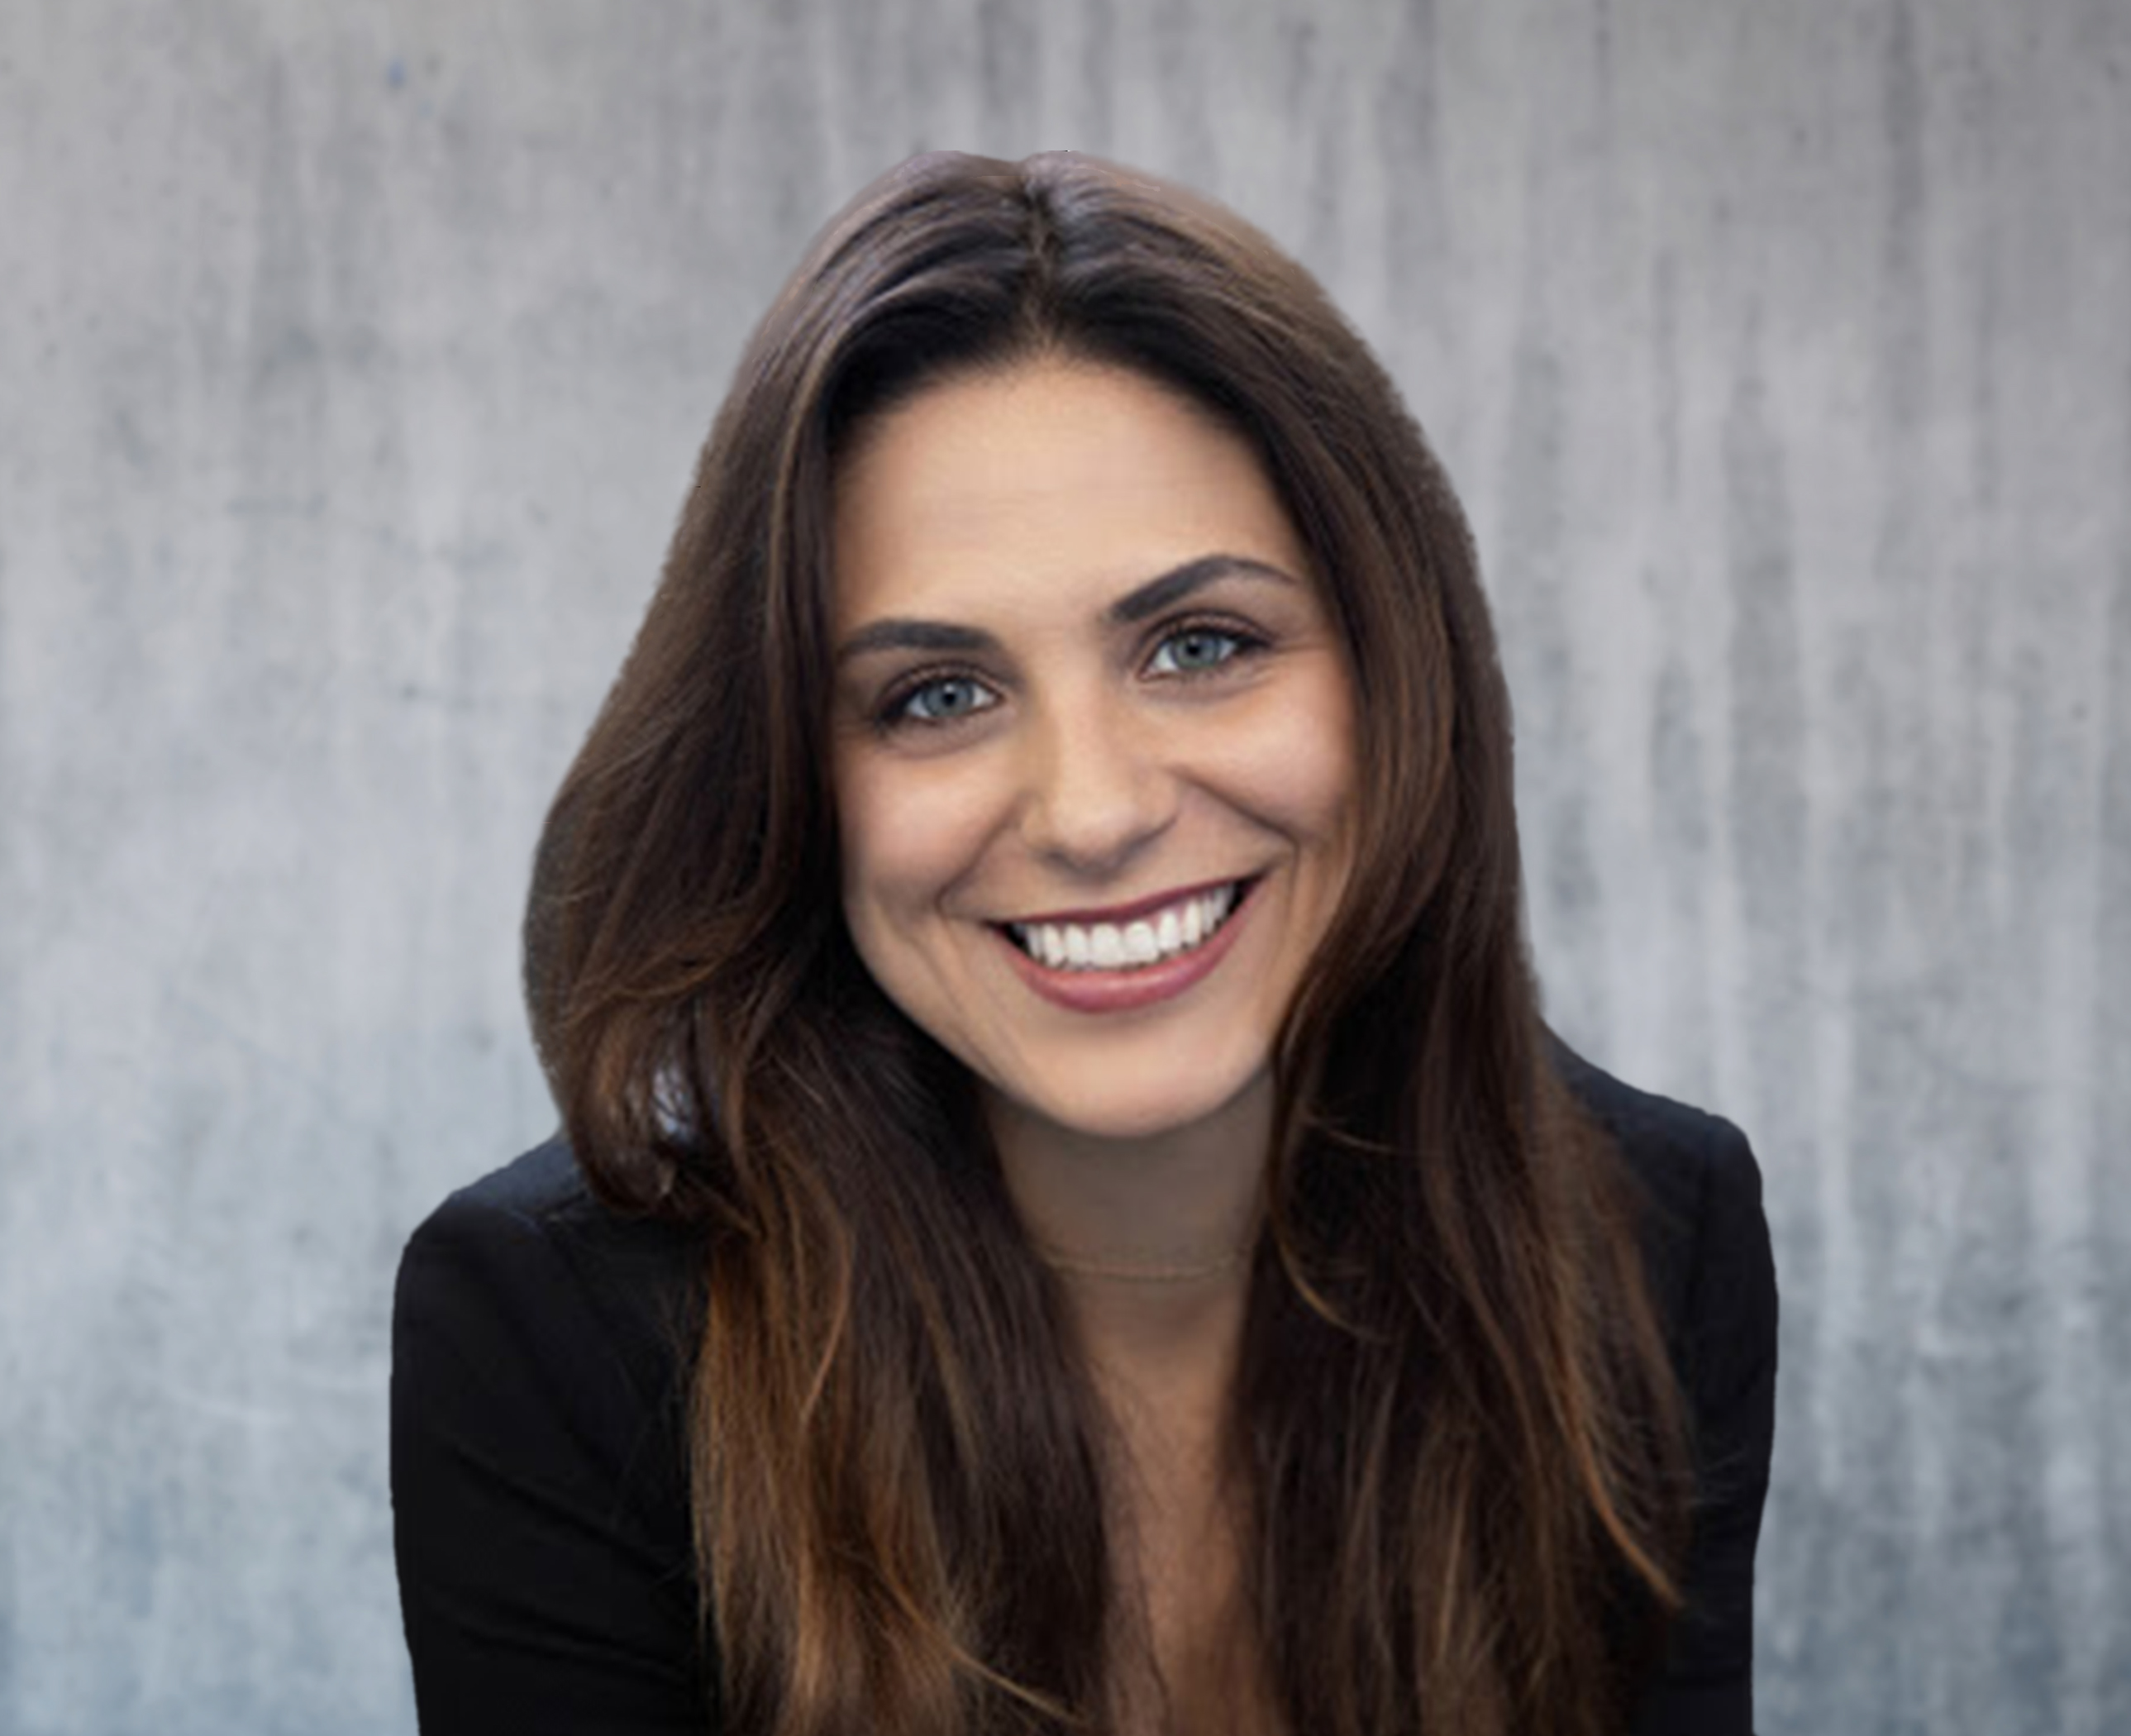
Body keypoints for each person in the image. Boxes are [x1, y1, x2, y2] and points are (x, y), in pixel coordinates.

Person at [390, 149, 1776, 1736]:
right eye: (938, 696)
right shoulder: (564, 1337)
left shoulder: (1646, 1236)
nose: (1095, 810)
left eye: (1201, 645)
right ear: (796, 779)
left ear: (1396, 674)